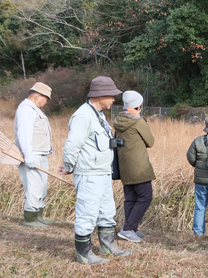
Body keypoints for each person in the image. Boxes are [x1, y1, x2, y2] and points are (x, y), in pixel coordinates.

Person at [59, 76, 130, 264]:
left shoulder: (98, 114)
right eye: (112, 95)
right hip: (89, 174)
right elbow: (72, 145)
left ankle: (107, 245)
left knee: (107, 211)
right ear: (101, 95)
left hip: (102, 172)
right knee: (87, 213)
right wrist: (68, 166)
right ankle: (84, 253)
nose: (114, 99)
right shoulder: (83, 115)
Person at [114, 91, 155, 243]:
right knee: (146, 196)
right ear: (139, 105)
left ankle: (132, 229)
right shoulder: (138, 122)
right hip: (139, 167)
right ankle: (128, 228)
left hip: (124, 165)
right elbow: (150, 141)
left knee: (130, 198)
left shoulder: (118, 121)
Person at [14, 82, 54, 227]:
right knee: (34, 187)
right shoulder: (26, 109)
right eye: (46, 98)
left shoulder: (34, 109)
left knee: (41, 187)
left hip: (41, 154)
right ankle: (30, 219)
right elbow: (24, 134)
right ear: (38, 96)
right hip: (32, 154)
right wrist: (28, 156)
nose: (46, 102)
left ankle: (38, 217)